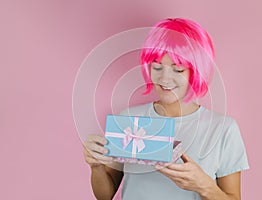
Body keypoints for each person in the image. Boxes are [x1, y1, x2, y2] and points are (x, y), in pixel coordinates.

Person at [83, 18, 249, 200]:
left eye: (178, 70)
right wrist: (96, 166)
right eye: (157, 67)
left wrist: (204, 186)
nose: (164, 79)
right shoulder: (130, 119)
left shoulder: (223, 129)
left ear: (197, 72)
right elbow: (104, 195)